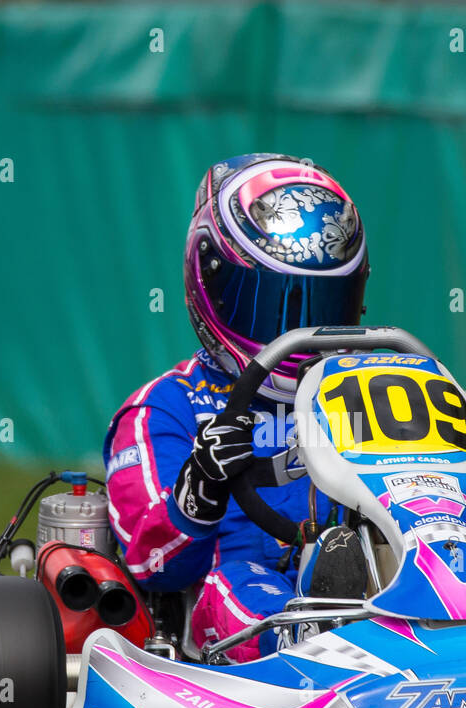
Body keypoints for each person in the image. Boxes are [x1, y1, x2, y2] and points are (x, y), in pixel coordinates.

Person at [102, 153, 370, 662]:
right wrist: (199, 485)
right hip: (226, 604)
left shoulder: (368, 394)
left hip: (368, 581)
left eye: (324, 306)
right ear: (214, 285)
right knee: (244, 583)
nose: (302, 330)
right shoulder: (164, 410)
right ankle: (309, 642)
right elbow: (156, 566)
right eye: (277, 307)